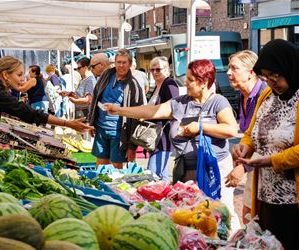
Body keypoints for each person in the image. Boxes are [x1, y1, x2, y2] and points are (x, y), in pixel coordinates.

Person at [104, 59, 241, 233]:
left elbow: (231, 129)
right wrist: (120, 110)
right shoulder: (180, 102)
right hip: (186, 169)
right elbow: (151, 111)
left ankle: (230, 242)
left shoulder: (218, 102)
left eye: (190, 80)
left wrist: (199, 127)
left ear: (204, 82)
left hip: (214, 169)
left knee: (220, 212)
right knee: (191, 213)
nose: (185, 83)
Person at [225, 39, 299, 250]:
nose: (272, 81)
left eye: (276, 75)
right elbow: (252, 132)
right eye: (267, 76)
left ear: (290, 68)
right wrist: (245, 146)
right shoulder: (266, 96)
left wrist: (271, 161)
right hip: (265, 194)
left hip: (292, 198)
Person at [225, 50, 267, 225]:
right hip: (254, 165)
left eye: (234, 68)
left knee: (254, 218)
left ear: (251, 73)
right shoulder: (243, 95)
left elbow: (264, 139)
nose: (228, 72)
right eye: (229, 67)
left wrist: (242, 167)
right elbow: (248, 134)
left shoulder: (265, 94)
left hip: (267, 169)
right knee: (248, 215)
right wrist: (240, 148)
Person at [88, 48, 145, 169]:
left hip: (119, 134)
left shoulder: (133, 85)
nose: (121, 65)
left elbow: (137, 116)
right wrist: (91, 122)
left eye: (124, 62)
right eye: (118, 62)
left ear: (129, 64)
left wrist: (132, 147)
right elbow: (96, 97)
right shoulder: (106, 75)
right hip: (101, 128)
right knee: (100, 167)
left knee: (115, 170)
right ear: (114, 62)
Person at [145, 56, 179, 181]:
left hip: (163, 136)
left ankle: (161, 199)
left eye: (158, 69)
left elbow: (174, 106)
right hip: (155, 138)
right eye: (152, 70)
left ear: (166, 70)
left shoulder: (169, 83)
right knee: (159, 174)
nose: (154, 72)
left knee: (153, 175)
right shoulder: (157, 86)